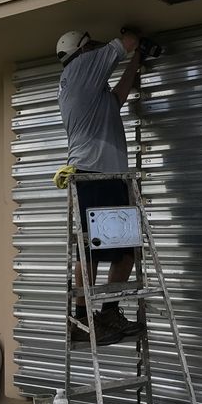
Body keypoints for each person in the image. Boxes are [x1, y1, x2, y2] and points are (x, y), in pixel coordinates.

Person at [56, 28, 143, 345]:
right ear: (82, 50)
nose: (97, 50)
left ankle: (108, 314)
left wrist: (138, 59)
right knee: (91, 249)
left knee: (126, 252)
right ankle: (82, 320)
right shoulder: (80, 68)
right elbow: (126, 41)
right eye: (92, 45)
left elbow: (118, 97)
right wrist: (134, 38)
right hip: (91, 173)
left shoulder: (92, 92)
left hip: (112, 176)